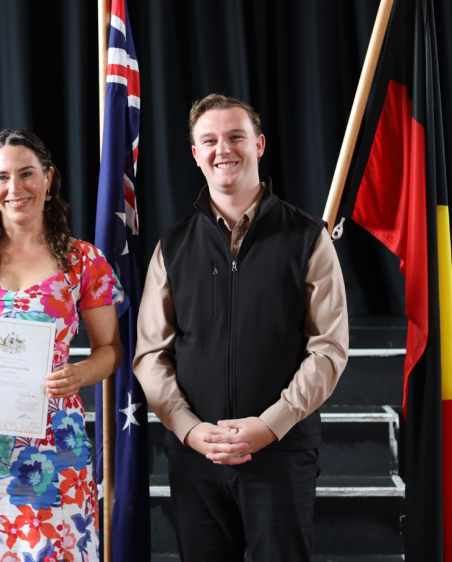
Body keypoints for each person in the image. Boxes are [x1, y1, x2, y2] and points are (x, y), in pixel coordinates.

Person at [133, 94, 349, 561]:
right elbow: (151, 355)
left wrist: (270, 426)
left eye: (235, 137)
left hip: (280, 454)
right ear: (195, 153)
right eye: (208, 140)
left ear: (259, 144)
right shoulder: (171, 248)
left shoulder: (307, 238)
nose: (222, 149)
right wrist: (189, 430)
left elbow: (329, 349)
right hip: (196, 458)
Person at [0, 129, 123, 562]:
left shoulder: (85, 261)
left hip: (54, 445)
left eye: (27, 174)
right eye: (2, 177)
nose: (16, 188)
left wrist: (81, 373)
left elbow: (110, 349)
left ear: (48, 179)